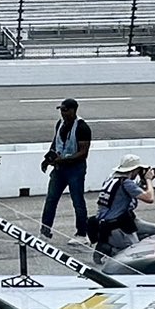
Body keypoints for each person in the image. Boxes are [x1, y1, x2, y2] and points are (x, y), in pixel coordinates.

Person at [39, 98, 93, 239]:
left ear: (73, 110)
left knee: (77, 201)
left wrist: (63, 160)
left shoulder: (82, 127)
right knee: (51, 199)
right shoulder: (60, 124)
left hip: (75, 170)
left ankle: (82, 234)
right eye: (61, 110)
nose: (62, 113)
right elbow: (55, 142)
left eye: (65, 110)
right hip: (59, 169)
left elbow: (83, 153)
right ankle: (45, 231)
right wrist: (48, 158)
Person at [92, 154, 155, 254]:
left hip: (110, 220)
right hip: (115, 225)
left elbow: (127, 195)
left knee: (152, 230)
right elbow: (149, 198)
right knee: (134, 252)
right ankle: (111, 249)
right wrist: (149, 180)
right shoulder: (126, 183)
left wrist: (143, 182)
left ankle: (123, 242)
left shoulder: (111, 178)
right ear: (134, 170)